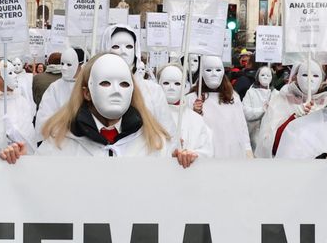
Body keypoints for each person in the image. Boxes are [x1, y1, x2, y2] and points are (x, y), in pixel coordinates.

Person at [29, 53, 197, 166]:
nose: (116, 91)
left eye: (123, 84)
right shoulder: (59, 142)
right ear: (87, 92)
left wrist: (180, 166)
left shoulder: (155, 143)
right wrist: (19, 164)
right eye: (105, 83)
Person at [256, 61, 327, 158]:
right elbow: (272, 145)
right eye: (305, 75)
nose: (310, 80)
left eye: (315, 75)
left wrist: (319, 118)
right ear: (296, 77)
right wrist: (294, 117)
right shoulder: (281, 100)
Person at [184, 55, 251, 158]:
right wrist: (195, 113)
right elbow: (186, 129)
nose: (214, 74)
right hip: (204, 155)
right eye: (209, 70)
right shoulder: (191, 99)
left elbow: (241, 126)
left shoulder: (233, 98)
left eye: (218, 70)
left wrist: (247, 149)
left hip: (230, 154)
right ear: (202, 73)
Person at [156, 63, 213, 158]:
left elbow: (207, 151)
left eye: (177, 83)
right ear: (158, 85)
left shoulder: (196, 120)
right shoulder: (148, 118)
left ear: (184, 86)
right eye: (166, 83)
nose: (171, 88)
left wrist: (191, 155)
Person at [0, 58, 36, 147]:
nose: (15, 75)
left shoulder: (21, 100)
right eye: (10, 73)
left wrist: (11, 130)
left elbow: (29, 135)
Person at [35, 47, 81, 142]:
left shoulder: (87, 86)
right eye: (62, 64)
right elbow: (44, 117)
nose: (64, 68)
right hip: (57, 140)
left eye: (69, 64)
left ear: (80, 65)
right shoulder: (55, 87)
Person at [242, 63, 274, 149]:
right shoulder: (250, 93)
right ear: (257, 76)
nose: (265, 77)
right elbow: (245, 112)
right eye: (262, 75)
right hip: (253, 134)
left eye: (268, 75)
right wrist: (261, 110)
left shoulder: (276, 94)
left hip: (270, 136)